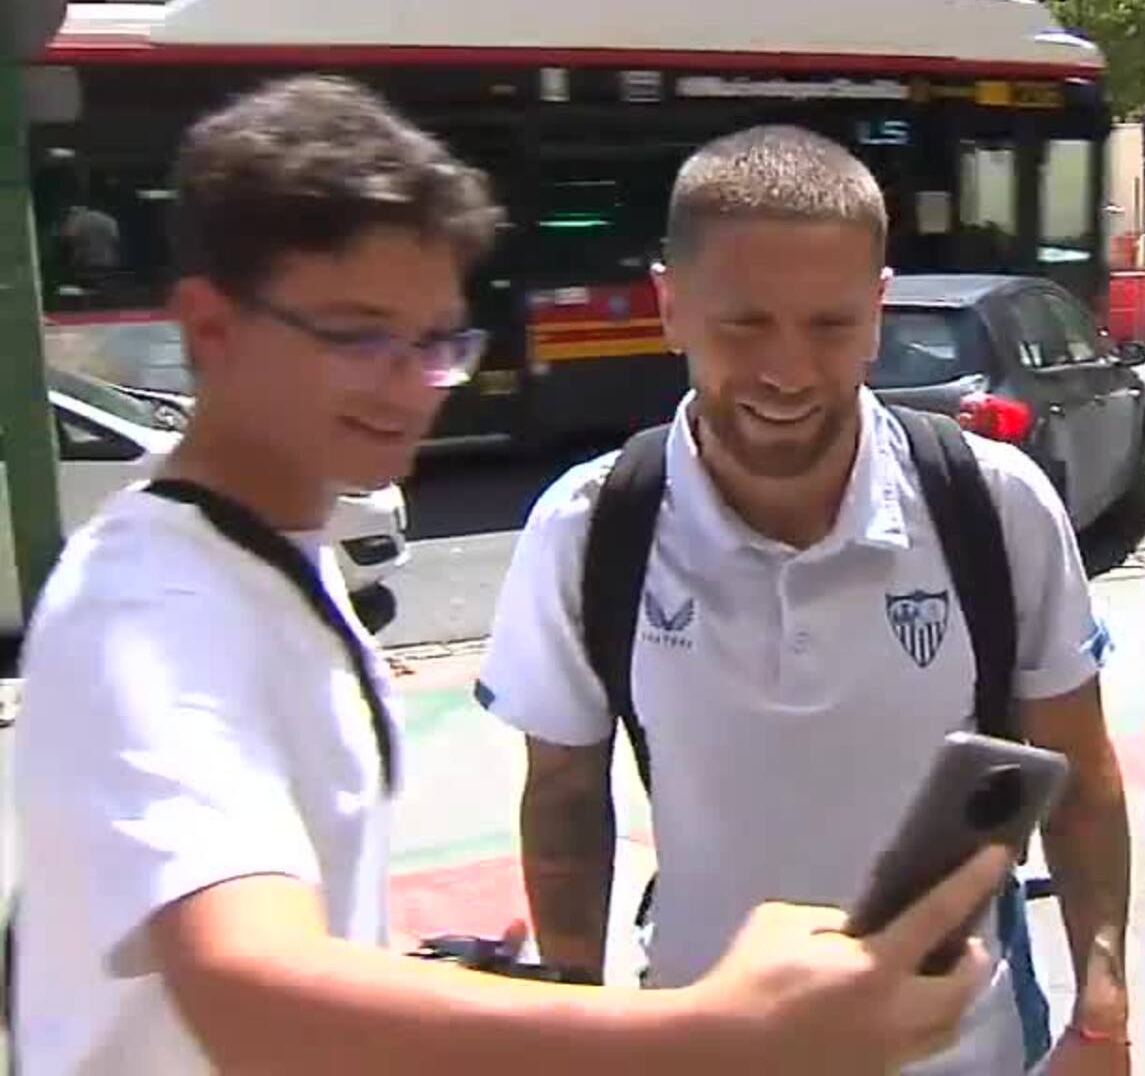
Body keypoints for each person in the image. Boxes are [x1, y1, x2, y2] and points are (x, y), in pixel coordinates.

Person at [12, 76, 1009, 1076]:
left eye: (434, 341)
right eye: (356, 336)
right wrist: (719, 1030)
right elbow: (247, 993)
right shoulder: (159, 608)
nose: (409, 386)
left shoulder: (271, 555)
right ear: (212, 330)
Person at [476, 126, 1133, 1074]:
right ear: (670, 307)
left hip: (966, 1050)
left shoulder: (994, 503)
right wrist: (578, 1025)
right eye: (745, 324)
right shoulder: (589, 527)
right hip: (706, 1046)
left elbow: (1081, 773)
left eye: (830, 326)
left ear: (877, 313)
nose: (788, 372)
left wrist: (1103, 1007)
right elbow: (566, 799)